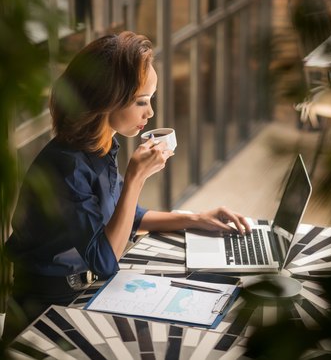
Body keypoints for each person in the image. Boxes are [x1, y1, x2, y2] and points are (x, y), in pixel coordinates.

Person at [3, 31, 249, 342]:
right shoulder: (66, 166)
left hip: (85, 291)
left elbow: (129, 215)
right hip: (46, 308)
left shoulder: (102, 144)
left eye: (152, 99)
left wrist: (195, 219)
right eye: (141, 102)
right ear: (106, 99)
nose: (151, 113)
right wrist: (136, 177)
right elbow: (105, 259)